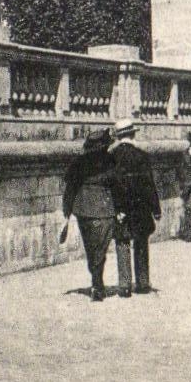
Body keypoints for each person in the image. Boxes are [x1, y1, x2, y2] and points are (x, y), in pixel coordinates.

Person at [107, 118, 161, 297]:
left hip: (120, 208)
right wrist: (156, 208)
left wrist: (117, 207)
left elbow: (111, 185)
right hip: (140, 208)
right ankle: (143, 282)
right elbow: (149, 185)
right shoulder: (142, 156)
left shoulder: (111, 158)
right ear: (132, 134)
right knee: (141, 243)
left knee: (122, 243)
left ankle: (124, 285)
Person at [62, 128, 116, 302]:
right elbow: (118, 185)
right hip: (104, 209)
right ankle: (97, 284)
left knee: (91, 249)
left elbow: (70, 189)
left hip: (83, 210)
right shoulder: (110, 161)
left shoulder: (79, 162)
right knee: (100, 249)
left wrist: (67, 211)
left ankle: (96, 282)